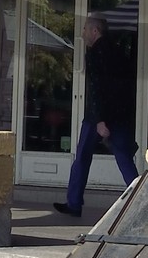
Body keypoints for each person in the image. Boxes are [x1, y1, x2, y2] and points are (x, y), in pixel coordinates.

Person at [58, 12, 138, 216]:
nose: (83, 33)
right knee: (124, 157)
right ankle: (140, 200)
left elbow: (96, 88)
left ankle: (74, 203)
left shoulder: (94, 54)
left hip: (97, 116)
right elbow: (125, 87)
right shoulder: (120, 52)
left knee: (82, 156)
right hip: (120, 114)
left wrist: (100, 120)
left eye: (85, 29)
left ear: (95, 30)